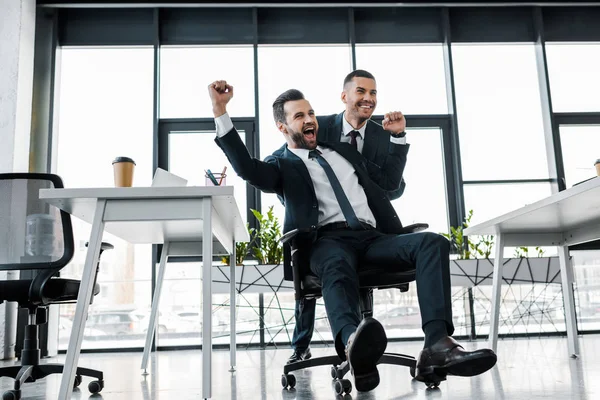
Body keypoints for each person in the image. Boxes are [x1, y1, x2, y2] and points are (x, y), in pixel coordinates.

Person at [208, 80, 497, 393]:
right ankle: (352, 346)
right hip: (326, 241)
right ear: (282, 127)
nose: (309, 120)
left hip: (373, 238)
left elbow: (388, 182)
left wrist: (397, 138)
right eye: (298, 116)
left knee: (433, 242)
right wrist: (220, 111)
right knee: (336, 267)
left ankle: (437, 346)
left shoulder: (342, 152)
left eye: (311, 113)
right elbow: (247, 169)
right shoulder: (282, 165)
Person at [276, 69, 409, 364]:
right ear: (345, 96)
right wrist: (301, 204)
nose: (368, 99)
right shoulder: (319, 125)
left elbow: (392, 184)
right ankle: (302, 344)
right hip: (323, 226)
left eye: (373, 93)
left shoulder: (380, 133)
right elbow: (286, 159)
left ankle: (363, 339)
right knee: (322, 258)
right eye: (361, 92)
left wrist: (397, 138)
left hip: (368, 226)